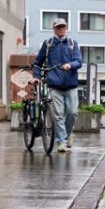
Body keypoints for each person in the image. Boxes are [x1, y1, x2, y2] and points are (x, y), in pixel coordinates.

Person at [34, 19, 82, 153]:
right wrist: (36, 77)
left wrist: (70, 65)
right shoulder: (48, 44)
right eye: (58, 27)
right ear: (54, 29)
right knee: (58, 115)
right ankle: (61, 142)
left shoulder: (73, 44)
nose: (61, 29)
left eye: (63, 27)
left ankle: (67, 134)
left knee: (73, 112)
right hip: (54, 85)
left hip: (71, 85)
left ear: (66, 28)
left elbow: (79, 61)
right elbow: (38, 63)